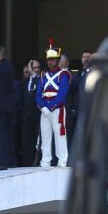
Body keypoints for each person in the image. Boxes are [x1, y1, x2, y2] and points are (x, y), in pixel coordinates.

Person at [36, 40, 70, 168]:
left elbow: (62, 93)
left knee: (60, 135)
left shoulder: (64, 74)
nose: (50, 61)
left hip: (57, 109)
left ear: (58, 60)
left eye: (53, 59)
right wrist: (43, 106)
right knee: (45, 136)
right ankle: (45, 161)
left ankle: (62, 160)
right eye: (49, 59)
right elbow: (38, 94)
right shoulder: (43, 75)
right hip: (45, 109)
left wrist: (50, 107)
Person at [20, 59, 42, 166]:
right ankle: (27, 163)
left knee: (38, 141)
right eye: (34, 68)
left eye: (38, 68)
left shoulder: (41, 79)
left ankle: (38, 161)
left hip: (37, 115)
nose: (36, 70)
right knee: (26, 141)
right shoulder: (24, 82)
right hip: (26, 116)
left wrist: (34, 75)